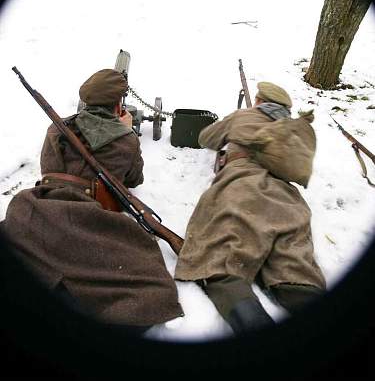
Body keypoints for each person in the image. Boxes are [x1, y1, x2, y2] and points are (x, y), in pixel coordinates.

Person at [1, 68, 183, 335]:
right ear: (118, 104)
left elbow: (47, 168)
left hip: (40, 204)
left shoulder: (57, 127)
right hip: (87, 212)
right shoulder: (127, 141)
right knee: (149, 286)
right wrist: (125, 132)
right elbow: (134, 179)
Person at [174, 81, 326, 335]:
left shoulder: (244, 115)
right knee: (297, 271)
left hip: (242, 184)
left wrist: (234, 125)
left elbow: (205, 138)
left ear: (258, 101)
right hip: (287, 198)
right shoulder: (292, 131)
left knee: (220, 261)